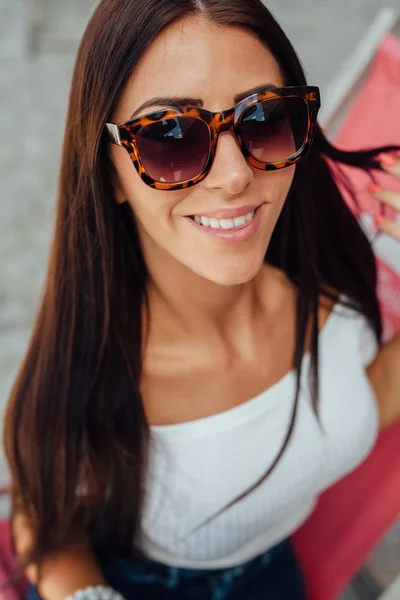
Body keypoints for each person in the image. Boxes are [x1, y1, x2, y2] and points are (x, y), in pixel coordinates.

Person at [4, 1, 400, 599]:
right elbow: (45, 522)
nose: (236, 174)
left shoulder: (338, 295)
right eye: (170, 138)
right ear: (108, 171)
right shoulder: (88, 378)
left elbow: (362, 393)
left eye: (265, 118)